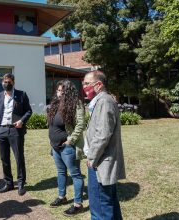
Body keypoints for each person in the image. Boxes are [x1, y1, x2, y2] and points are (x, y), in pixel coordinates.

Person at [83, 70, 126, 220]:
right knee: (109, 204)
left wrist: (92, 157)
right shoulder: (102, 101)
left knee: (100, 208)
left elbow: (102, 135)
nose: (84, 87)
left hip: (100, 163)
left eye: (87, 83)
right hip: (101, 161)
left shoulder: (104, 102)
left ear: (99, 85)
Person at [47, 80, 86, 216]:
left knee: (75, 174)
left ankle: (77, 204)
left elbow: (81, 124)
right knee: (61, 172)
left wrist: (70, 141)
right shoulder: (55, 104)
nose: (59, 94)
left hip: (67, 147)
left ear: (68, 92)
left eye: (62, 92)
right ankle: (62, 197)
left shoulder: (76, 104)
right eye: (58, 91)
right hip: (55, 147)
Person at [0, 73, 32, 196]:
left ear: (13, 82)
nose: (6, 84)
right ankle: (8, 183)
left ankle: (20, 184)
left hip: (16, 130)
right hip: (2, 130)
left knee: (19, 157)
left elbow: (29, 111)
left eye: (8, 82)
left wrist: (22, 121)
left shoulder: (21, 95)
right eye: (4, 82)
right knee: (4, 159)